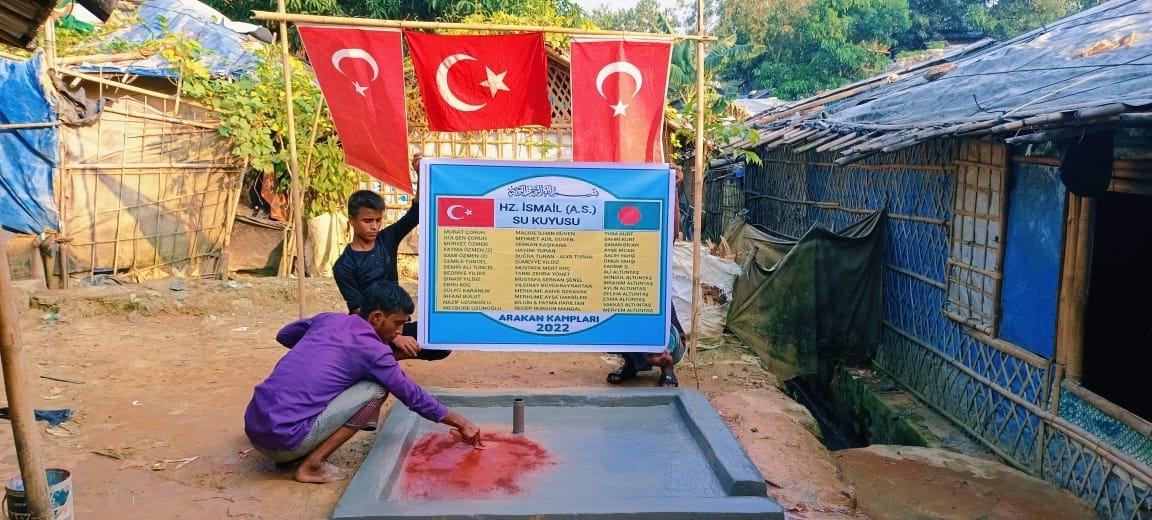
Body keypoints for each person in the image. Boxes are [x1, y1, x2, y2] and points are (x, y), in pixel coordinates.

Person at [244, 282, 483, 484]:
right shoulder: (374, 351)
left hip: (255, 428)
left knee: (348, 378)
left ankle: (301, 443)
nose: (400, 331)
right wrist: (462, 423)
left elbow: (284, 335)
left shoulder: (329, 319)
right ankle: (313, 465)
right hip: (283, 444)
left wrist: (321, 353)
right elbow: (413, 396)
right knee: (376, 389)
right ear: (376, 317)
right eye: (397, 324)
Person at [333, 151, 450, 361]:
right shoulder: (344, 265)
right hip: (369, 328)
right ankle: (378, 358)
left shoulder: (387, 239)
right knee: (361, 343)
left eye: (378, 220)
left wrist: (420, 173)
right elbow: (358, 311)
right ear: (351, 220)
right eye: (367, 221)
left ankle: (386, 357)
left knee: (441, 343)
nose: (374, 226)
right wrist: (395, 338)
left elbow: (415, 213)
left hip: (396, 321)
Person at [607, 163, 687, 388]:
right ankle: (633, 364)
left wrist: (673, 188)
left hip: (664, 330)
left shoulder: (655, 248)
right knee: (612, 325)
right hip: (629, 317)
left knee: (661, 329)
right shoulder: (612, 256)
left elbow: (672, 230)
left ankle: (667, 366)